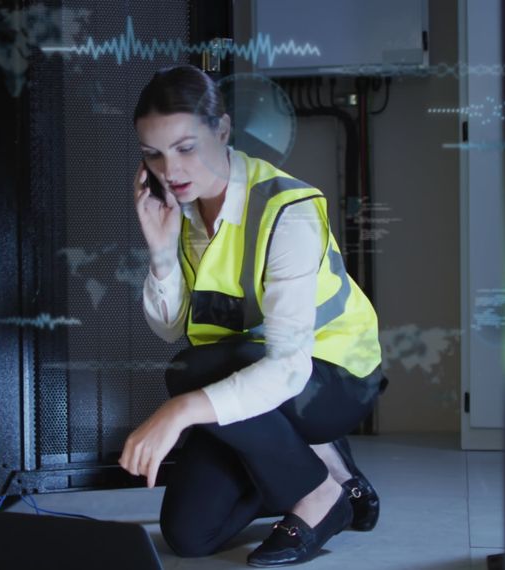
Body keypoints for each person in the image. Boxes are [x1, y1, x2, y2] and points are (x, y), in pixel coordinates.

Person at [118, 64, 386, 567]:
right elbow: (173, 326)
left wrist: (179, 413)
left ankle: (320, 496)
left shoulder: (288, 209)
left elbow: (287, 367)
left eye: (185, 147)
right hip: (252, 377)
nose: (168, 170)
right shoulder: (181, 208)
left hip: (331, 376)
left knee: (193, 372)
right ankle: (331, 472)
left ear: (221, 130)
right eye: (152, 154)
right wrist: (159, 249)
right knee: (189, 534)